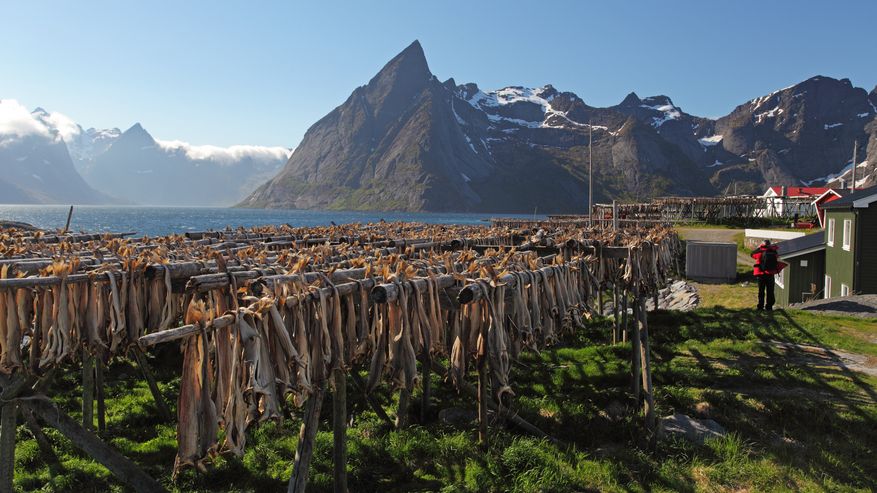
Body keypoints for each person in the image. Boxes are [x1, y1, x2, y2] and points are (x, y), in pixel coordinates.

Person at [751, 239, 786, 311]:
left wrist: (759, 247)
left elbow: (752, 254)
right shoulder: (773, 251)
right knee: (770, 291)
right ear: (769, 244)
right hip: (770, 274)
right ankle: (769, 307)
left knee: (761, 291)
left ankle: (760, 307)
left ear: (762, 244)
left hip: (761, 274)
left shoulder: (759, 251)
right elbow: (777, 257)